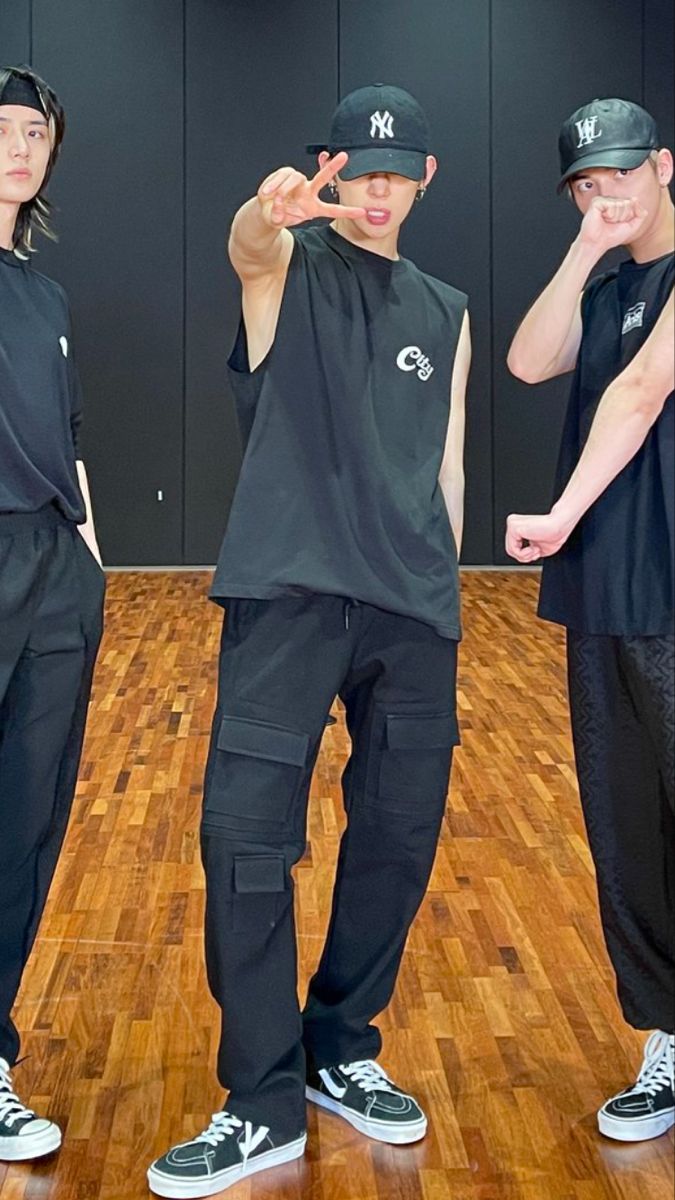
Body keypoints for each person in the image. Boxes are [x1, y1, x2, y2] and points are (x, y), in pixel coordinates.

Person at [148, 83, 471, 1197]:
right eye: (358, 171)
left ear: (426, 179)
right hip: (287, 593)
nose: (376, 193)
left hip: (412, 611)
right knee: (245, 842)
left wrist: (448, 599)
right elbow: (248, 250)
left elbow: (448, 468)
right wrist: (266, 211)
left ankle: (341, 1043)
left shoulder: (448, 309)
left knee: (397, 834)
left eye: (397, 174)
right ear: (333, 169)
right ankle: (260, 1098)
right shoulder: (289, 264)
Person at [506, 97, 674, 1142]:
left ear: (664, 165)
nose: (603, 192)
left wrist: (561, 513)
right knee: (629, 834)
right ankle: (666, 1040)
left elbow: (644, 390)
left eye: (617, 173)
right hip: (608, 600)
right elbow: (530, 360)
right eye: (583, 183)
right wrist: (581, 249)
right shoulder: (609, 282)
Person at [0, 65, 105, 1162]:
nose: (20, 148)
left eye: (35, 132)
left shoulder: (44, 292)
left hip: (51, 567)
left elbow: (68, 441)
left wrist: (93, 561)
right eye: (0, 131)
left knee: (25, 823)